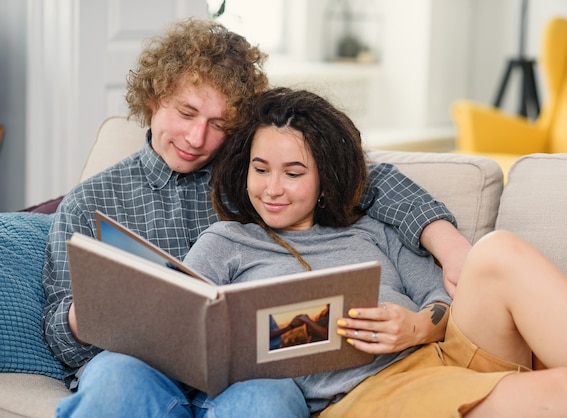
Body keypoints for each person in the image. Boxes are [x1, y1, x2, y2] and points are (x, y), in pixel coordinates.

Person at [41, 18, 470, 417]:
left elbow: (361, 177)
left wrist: (449, 245)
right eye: (186, 113)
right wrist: (94, 309)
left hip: (249, 377)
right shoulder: (89, 201)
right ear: (153, 99)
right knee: (114, 379)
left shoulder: (253, 168)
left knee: (267, 396)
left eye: (218, 123)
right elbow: (60, 336)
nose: (197, 138)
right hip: (144, 370)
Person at [182, 87, 567, 416]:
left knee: (498, 251)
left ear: (324, 180)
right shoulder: (225, 244)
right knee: (564, 390)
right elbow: (183, 335)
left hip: (433, 356)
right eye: (260, 170)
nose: (272, 189)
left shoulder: (371, 229)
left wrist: (415, 325)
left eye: (293, 173)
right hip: (362, 396)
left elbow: (443, 300)